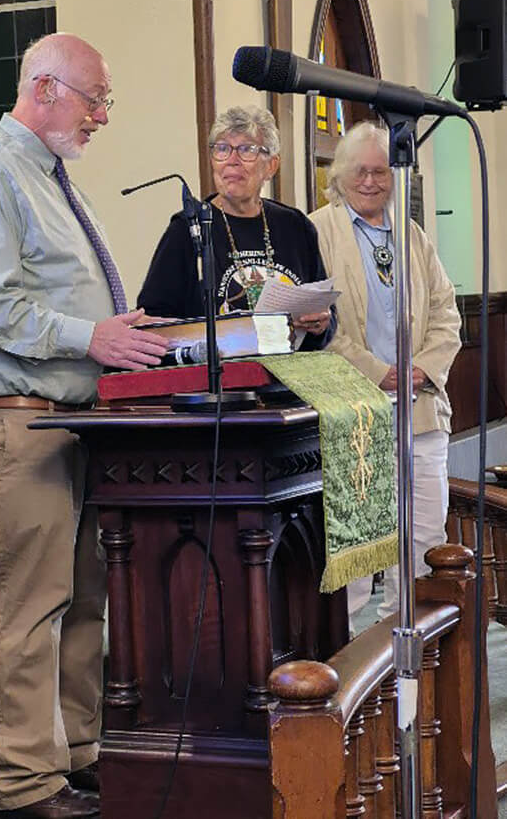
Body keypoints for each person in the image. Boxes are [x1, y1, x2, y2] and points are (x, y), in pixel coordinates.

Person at [0, 33, 168, 819]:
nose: (103, 116)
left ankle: (77, 755)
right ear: (44, 88)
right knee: (27, 606)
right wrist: (91, 337)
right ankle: (24, 785)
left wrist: (121, 330)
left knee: (82, 602)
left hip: (75, 423)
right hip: (17, 424)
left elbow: (57, 301)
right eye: (95, 99)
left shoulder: (53, 179)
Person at [309, 120, 462, 620]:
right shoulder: (316, 231)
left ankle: (415, 684)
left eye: (381, 172)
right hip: (354, 413)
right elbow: (315, 324)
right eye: (360, 172)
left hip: (419, 413)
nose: (371, 181)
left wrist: (420, 369)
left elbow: (446, 313)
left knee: (421, 547)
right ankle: (355, 684)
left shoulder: (411, 234)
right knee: (357, 557)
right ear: (340, 176)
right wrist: (377, 370)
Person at [137, 105, 334, 345]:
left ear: (271, 165)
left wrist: (321, 324)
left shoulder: (295, 226)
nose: (232, 161)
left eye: (246, 150)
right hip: (217, 376)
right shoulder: (187, 229)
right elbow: (153, 320)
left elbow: (328, 319)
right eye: (222, 149)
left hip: (290, 375)